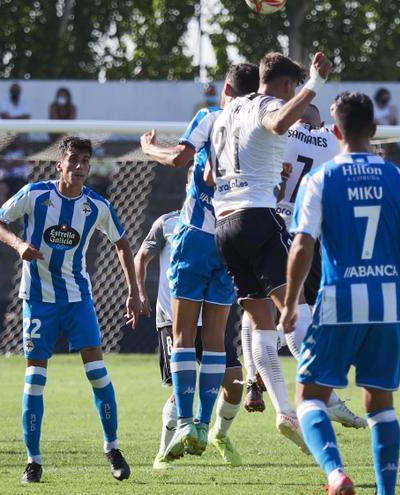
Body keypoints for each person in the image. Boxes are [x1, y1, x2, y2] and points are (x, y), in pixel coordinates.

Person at [280, 91, 400, 495]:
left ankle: (335, 474)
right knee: (380, 404)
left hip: (339, 301)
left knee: (309, 396)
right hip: (389, 303)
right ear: (375, 130)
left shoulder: (320, 179)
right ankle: (386, 491)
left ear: (335, 132)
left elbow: (302, 245)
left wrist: (292, 302)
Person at [0, 136, 146, 483]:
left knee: (98, 373)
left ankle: (112, 448)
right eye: (73, 159)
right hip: (38, 301)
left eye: (85, 161)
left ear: (89, 167)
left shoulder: (96, 206)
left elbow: (121, 243)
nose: (79, 166)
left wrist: (134, 292)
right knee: (35, 381)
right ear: (59, 164)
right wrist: (18, 244)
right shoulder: (35, 195)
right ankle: (33, 461)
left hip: (77, 300)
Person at [211, 51, 331, 453]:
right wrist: (316, 82)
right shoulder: (268, 104)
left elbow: (210, 173)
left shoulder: (226, 112)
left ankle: (284, 410)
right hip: (257, 218)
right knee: (292, 309)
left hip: (223, 226)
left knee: (260, 321)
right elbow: (279, 120)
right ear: (285, 86)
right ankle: (324, 396)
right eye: (294, 88)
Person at [139, 63, 259, 463]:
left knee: (185, 335)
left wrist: (148, 148)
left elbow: (178, 159)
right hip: (233, 235)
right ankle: (205, 427)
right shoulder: (257, 128)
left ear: (226, 88)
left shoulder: (210, 116)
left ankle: (188, 420)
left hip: (195, 235)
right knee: (216, 344)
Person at [240, 103, 365, 428]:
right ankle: (327, 395)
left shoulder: (278, 136)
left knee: (256, 311)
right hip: (305, 234)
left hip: (265, 223)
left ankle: (255, 380)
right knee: (297, 313)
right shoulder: (329, 140)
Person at [134, 210, 245, 469]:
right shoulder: (167, 222)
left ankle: (219, 435)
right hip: (174, 319)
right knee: (180, 390)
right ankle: (163, 452)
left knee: (235, 383)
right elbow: (142, 257)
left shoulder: (226, 222)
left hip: (210, 320)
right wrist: (139, 292)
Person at [0, 135, 31, 206]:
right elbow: (2, 165)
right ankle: (2, 214)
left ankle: (20, 215)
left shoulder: (26, 152)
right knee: (1, 188)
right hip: (6, 179)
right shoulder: (4, 153)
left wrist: (10, 163)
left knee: (21, 191)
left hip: (20, 179)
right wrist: (15, 162)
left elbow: (23, 162)